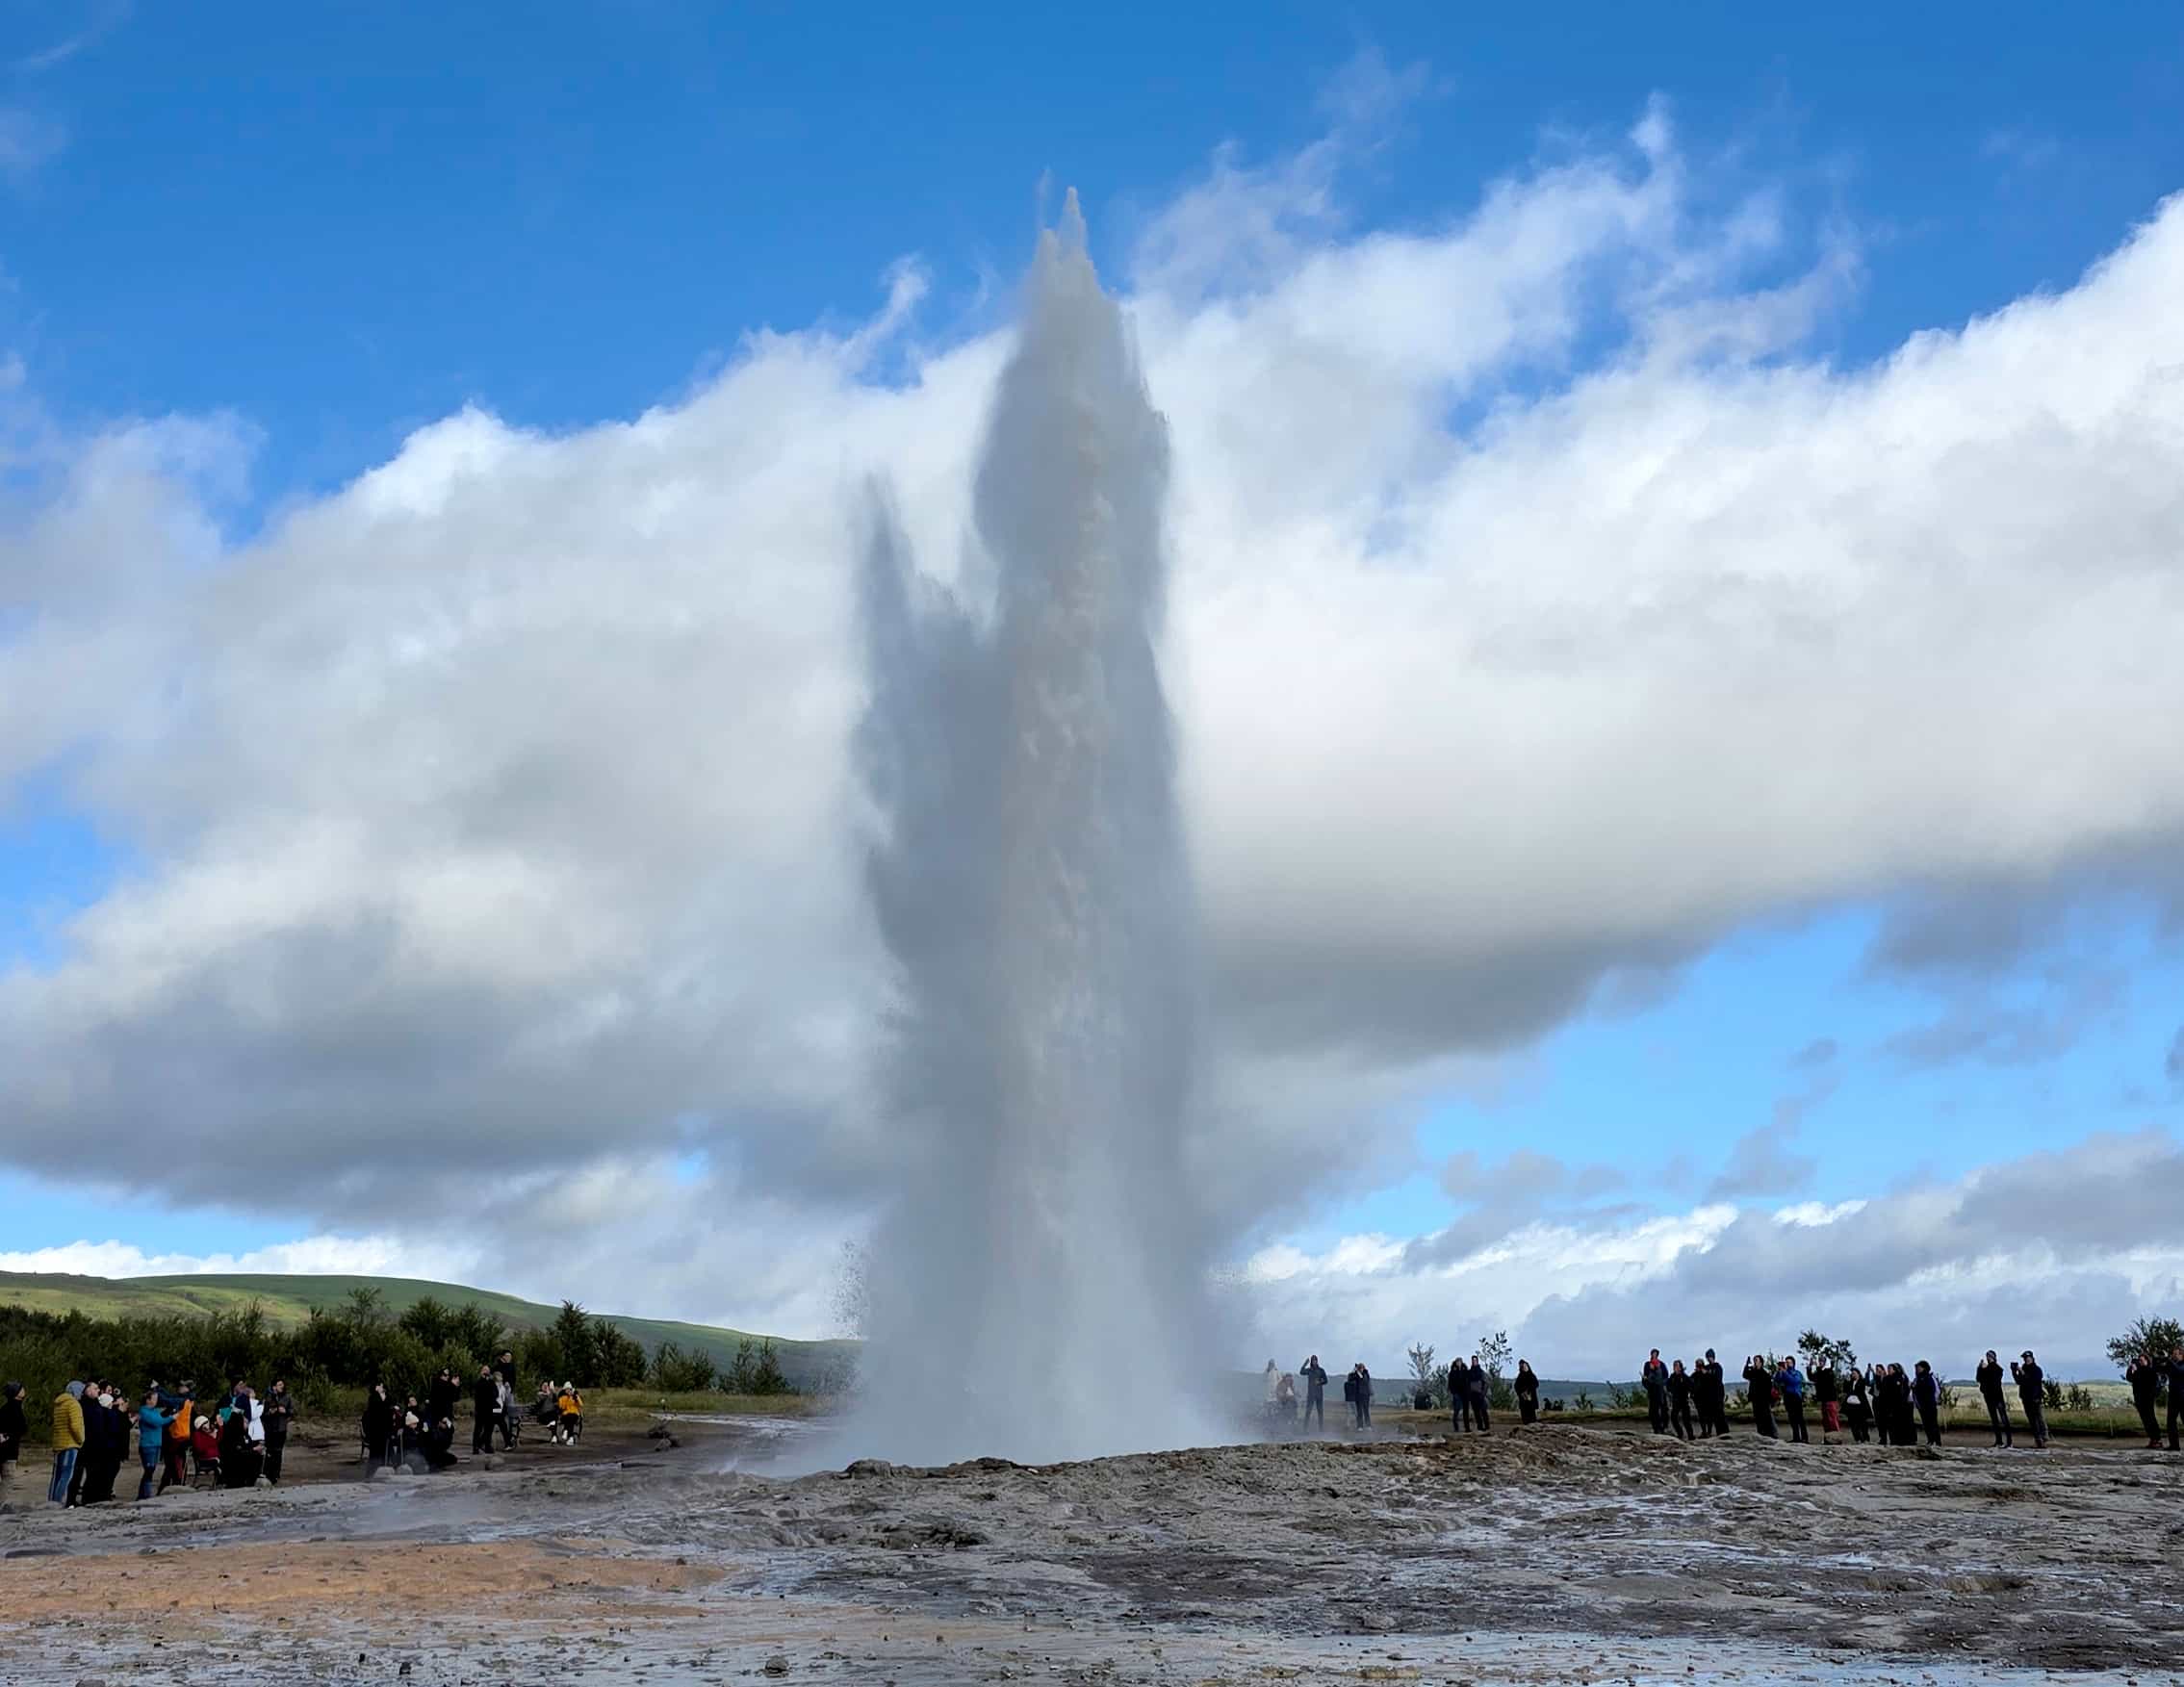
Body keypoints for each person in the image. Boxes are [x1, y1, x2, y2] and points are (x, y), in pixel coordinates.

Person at [48, 1380, 85, 1506]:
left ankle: (51, 1501)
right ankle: (59, 1502)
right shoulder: (74, 1404)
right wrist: (80, 1440)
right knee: (66, 1475)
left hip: (58, 1443)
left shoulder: (59, 1404)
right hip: (70, 1444)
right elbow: (76, 1426)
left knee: (56, 1475)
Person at [135, 1389, 174, 1501]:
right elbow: (158, 1422)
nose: (156, 1401)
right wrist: (172, 1418)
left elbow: (160, 1419)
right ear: (148, 1400)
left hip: (156, 1444)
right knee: (149, 1469)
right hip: (148, 1445)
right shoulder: (144, 1411)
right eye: (154, 1399)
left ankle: (142, 1495)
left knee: (150, 1471)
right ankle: (146, 1495)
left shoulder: (155, 1411)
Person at [1975, 1350, 2013, 1447]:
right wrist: (1979, 1368)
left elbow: (1993, 1379)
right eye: (1988, 1356)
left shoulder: (1997, 1369)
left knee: (2003, 1419)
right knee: (1994, 1419)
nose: (1989, 1358)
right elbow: (1979, 1379)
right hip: (1989, 1396)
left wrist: (1984, 1369)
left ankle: (2009, 1441)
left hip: (1996, 1396)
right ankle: (1999, 1440)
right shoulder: (1987, 1369)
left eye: (1990, 1356)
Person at [2011, 1351, 2048, 1449]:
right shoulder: (2023, 1369)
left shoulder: (2037, 1370)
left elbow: (2032, 1381)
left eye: (2028, 1357)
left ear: (2032, 1358)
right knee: (2032, 1421)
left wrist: (2022, 1372)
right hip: (2026, 1398)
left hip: (2035, 1398)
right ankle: (2038, 1440)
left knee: (2039, 1419)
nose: (2026, 1359)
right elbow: (2019, 1381)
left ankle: (2044, 1438)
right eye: (2025, 1358)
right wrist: (2014, 1371)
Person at [262, 1379, 295, 1484]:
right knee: (269, 1451)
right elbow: (262, 1413)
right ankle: (267, 1472)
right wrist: (270, 1412)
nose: (282, 1386)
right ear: (273, 1387)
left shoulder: (287, 1397)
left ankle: (276, 1474)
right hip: (270, 1428)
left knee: (278, 1451)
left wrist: (286, 1412)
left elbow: (292, 1412)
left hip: (281, 1428)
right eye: (279, 1385)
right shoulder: (268, 1397)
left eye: (282, 1384)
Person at [362, 1382, 396, 1474]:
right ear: (376, 1388)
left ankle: (387, 1469)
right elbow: (376, 1411)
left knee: (387, 1450)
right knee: (375, 1454)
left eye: (382, 1385)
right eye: (379, 1385)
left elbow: (390, 1407)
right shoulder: (373, 1397)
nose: (381, 1386)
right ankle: (370, 1474)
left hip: (386, 1428)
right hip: (376, 1429)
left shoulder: (388, 1397)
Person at [1743, 1356, 1777, 1440]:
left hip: (1763, 1400)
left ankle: (1770, 1435)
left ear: (1761, 1362)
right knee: (1758, 1418)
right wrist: (1746, 1366)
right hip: (1755, 1399)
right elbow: (1745, 1375)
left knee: (1766, 1418)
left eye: (1756, 1361)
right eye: (1754, 1361)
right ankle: (1761, 1434)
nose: (1755, 1362)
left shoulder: (1765, 1374)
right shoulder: (1753, 1373)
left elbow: (1768, 1388)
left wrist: (1769, 1400)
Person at [1777, 1356, 1809, 1444]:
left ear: (1793, 1363)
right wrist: (1779, 1371)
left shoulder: (1797, 1373)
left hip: (1796, 1396)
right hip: (1788, 1396)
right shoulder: (1784, 1372)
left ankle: (1804, 1438)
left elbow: (1793, 1381)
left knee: (1800, 1418)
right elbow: (1777, 1380)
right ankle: (1796, 1437)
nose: (1787, 1364)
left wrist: (1785, 1372)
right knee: (1792, 1418)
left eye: (1789, 1362)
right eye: (1786, 1362)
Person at [1912, 1361, 1943, 1447]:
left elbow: (1936, 1390)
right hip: (1921, 1405)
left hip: (1930, 1404)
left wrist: (1934, 1401)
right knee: (1926, 1424)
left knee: (1933, 1423)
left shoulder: (1930, 1377)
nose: (1918, 1369)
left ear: (1924, 1368)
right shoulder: (1917, 1378)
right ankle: (1930, 1440)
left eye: (1919, 1367)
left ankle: (1937, 1442)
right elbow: (1915, 1390)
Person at [0, 1381, 25, 1488]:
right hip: (9, 1452)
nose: (23, 1389)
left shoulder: (4, 1408)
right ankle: (2, 1504)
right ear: (16, 1392)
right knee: (7, 1481)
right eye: (21, 1388)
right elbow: (22, 1428)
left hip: (5, 1451)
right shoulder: (15, 1409)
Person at [473, 1364, 501, 1455]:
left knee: (489, 1429)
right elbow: (478, 1396)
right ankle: (475, 1447)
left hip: (490, 1409)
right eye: (484, 1370)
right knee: (478, 1429)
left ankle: (486, 1445)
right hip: (481, 1409)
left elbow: (496, 1394)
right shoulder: (479, 1382)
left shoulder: (491, 1382)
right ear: (481, 1371)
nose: (486, 1371)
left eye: (488, 1370)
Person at [1641, 1349, 1670, 1436]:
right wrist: (1647, 1383)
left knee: (1664, 1409)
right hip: (1652, 1390)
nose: (1654, 1355)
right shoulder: (1647, 1365)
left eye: (1656, 1354)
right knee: (1653, 1411)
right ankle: (1656, 1428)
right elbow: (1645, 1377)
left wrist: (1663, 1385)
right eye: (1653, 1354)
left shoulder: (1661, 1364)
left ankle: (1664, 1427)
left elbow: (1666, 1376)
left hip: (1660, 1389)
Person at [1703, 1351, 1731, 1438]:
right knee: (1713, 1415)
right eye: (1707, 1357)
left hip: (1718, 1393)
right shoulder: (1706, 1367)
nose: (1709, 1358)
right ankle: (1719, 1433)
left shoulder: (1718, 1367)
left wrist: (1707, 1374)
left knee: (1720, 1414)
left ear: (1713, 1357)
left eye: (1710, 1357)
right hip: (1709, 1395)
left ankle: (1725, 1432)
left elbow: (1718, 1379)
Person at [190, 1416, 222, 1489]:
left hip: (214, 1457)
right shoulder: (197, 1435)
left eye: (207, 1422)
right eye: (205, 1423)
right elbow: (200, 1449)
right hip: (205, 1460)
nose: (207, 1425)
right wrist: (212, 1438)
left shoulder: (209, 1433)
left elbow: (218, 1440)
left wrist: (220, 1428)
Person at [1841, 1367, 1872, 1443]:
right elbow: (1845, 1390)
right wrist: (1846, 1381)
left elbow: (1867, 1383)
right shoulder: (1850, 1382)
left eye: (1854, 1373)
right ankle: (1857, 1438)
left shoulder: (1862, 1381)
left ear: (1858, 1374)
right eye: (1852, 1374)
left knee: (1863, 1423)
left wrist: (1868, 1373)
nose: (1853, 1375)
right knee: (1853, 1423)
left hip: (1860, 1405)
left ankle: (1866, 1438)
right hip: (1851, 1406)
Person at [1812, 1358, 1840, 1442]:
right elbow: (1812, 1377)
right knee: (1825, 1420)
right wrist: (1809, 1367)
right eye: (1819, 1361)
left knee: (1832, 1418)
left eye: (1821, 1362)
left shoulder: (1829, 1372)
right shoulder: (1820, 1372)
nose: (1820, 1363)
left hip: (1830, 1399)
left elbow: (1824, 1379)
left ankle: (1836, 1437)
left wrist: (1818, 1368)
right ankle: (1828, 1437)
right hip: (1824, 1399)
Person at [1298, 1356, 1327, 1432]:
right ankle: (1305, 1429)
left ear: (1317, 1361)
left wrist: (1320, 1382)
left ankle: (1321, 1429)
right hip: (1311, 1394)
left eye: (1315, 1360)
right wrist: (1305, 1364)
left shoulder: (1321, 1370)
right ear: (1311, 1362)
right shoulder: (1309, 1370)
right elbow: (1301, 1372)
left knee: (1320, 1412)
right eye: (1313, 1361)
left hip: (1319, 1394)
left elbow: (1326, 1380)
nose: (1314, 1362)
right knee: (1308, 1411)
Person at [1667, 1360, 1694, 1440]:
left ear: (1680, 1367)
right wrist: (1671, 1392)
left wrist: (1690, 1393)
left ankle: (1690, 1435)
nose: (1676, 1368)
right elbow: (1668, 1386)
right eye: (1675, 1366)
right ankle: (1680, 1433)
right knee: (1673, 1417)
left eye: (1678, 1366)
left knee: (1686, 1419)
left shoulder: (1684, 1377)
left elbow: (1691, 1386)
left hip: (1684, 1400)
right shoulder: (1672, 1376)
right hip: (1676, 1401)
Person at [1465, 1357, 1490, 1433]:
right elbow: (1467, 1384)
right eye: (1472, 1361)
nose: (1474, 1362)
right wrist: (1468, 1394)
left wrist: (1483, 1393)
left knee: (1483, 1411)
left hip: (1480, 1394)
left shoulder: (1481, 1372)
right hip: (1472, 1395)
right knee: (1476, 1412)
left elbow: (1486, 1383)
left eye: (1475, 1361)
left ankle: (1487, 1426)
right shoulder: (1469, 1373)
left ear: (1478, 1362)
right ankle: (1480, 1427)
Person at [2167, 1343, 2184, 1452]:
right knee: (2171, 1421)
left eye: (2175, 1354)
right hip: (2173, 1396)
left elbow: (2180, 1371)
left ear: (2181, 1354)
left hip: (2183, 1397)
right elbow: (2160, 1369)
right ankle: (2174, 1445)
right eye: (2173, 1354)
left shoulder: (2182, 1365)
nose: (2174, 1356)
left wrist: (2169, 1361)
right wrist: (2156, 1359)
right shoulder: (2174, 1364)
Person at [1513, 1360, 1539, 1425]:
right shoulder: (1520, 1376)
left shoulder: (1532, 1375)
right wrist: (1522, 1392)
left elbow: (1536, 1384)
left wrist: (1529, 1390)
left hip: (1531, 1399)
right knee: (1525, 1416)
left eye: (1525, 1366)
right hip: (1523, 1399)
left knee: (1532, 1416)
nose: (1524, 1368)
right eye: (1522, 1367)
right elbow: (1516, 1386)